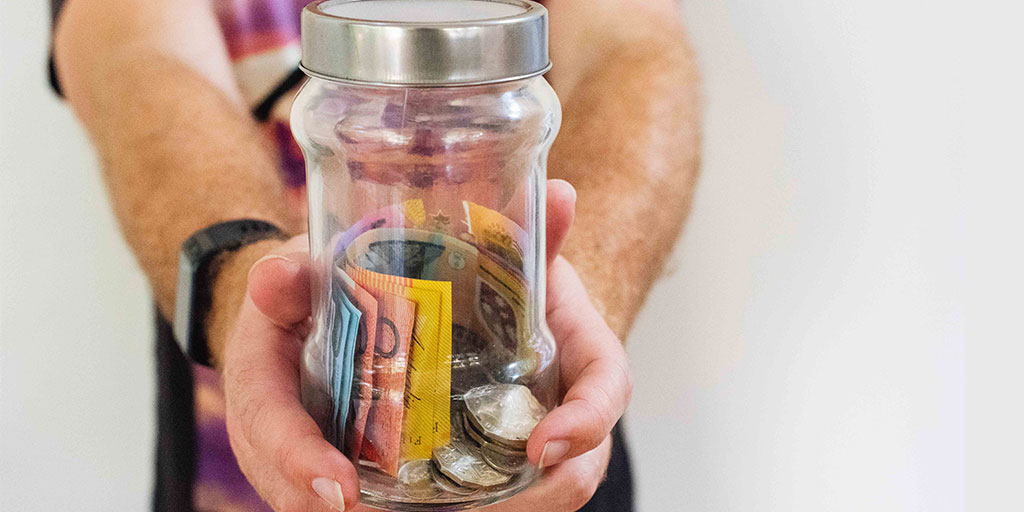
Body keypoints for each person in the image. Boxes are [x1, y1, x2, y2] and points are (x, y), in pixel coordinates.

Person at [50, 0, 700, 510]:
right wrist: (235, 284)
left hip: (549, 476)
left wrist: (561, 310)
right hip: (236, 462)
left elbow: (629, 38)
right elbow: (130, 40)